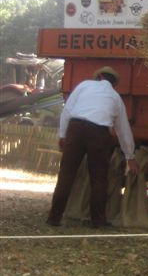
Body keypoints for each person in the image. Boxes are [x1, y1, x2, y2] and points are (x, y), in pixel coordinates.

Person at [46, 66, 139, 228]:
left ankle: (54, 218)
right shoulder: (115, 97)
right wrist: (129, 157)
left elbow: (67, 110)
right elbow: (123, 129)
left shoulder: (84, 85)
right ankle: (98, 221)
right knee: (99, 179)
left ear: (99, 76)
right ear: (114, 83)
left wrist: (62, 135)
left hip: (76, 129)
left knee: (66, 176)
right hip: (99, 134)